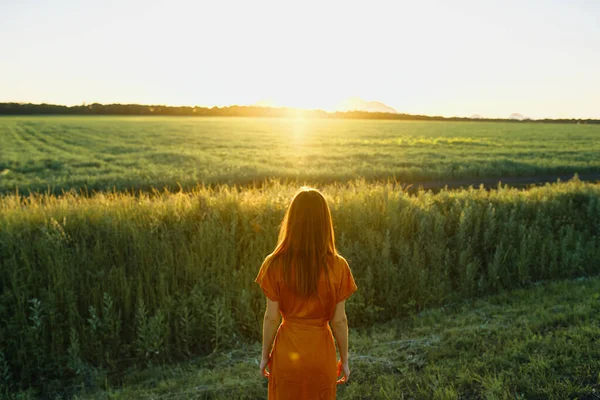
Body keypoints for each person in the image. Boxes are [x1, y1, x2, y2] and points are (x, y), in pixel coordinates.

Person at [255, 187, 358, 399]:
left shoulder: (273, 264)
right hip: (321, 354)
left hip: (287, 354)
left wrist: (265, 355)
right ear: (325, 223)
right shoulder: (339, 266)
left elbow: (271, 317)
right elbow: (339, 321)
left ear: (291, 221)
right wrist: (345, 359)